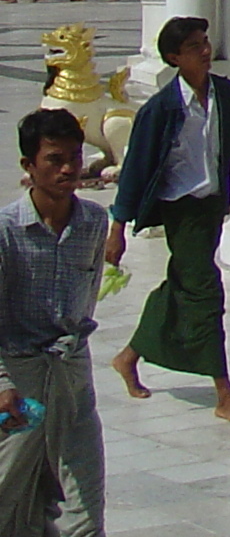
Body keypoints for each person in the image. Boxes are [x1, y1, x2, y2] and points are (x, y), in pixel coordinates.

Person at [106, 17, 230, 422]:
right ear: (174, 58)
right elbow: (137, 170)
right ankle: (223, 392)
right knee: (205, 293)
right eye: (195, 45)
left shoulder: (225, 95)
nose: (204, 50)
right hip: (181, 211)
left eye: (205, 42)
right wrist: (118, 227)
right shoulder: (160, 109)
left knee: (184, 285)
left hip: (211, 207)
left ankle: (129, 355)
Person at [0, 107, 109, 535]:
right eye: (54, 159)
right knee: (12, 500)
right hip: (21, 390)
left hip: (72, 382)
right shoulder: (7, 231)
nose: (67, 169)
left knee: (85, 508)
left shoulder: (93, 222)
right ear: (29, 165)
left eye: (74, 158)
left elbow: (88, 297)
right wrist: (3, 383)